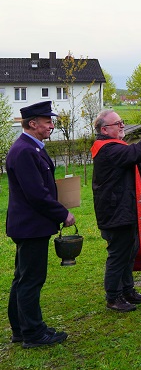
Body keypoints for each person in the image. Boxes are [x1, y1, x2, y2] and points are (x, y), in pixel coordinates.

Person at [6, 101, 75, 348]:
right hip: (30, 227)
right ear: (32, 123)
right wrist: (62, 214)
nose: (51, 126)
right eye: (47, 122)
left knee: (22, 278)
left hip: (29, 226)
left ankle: (22, 329)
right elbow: (36, 194)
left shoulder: (31, 148)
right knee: (31, 280)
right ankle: (33, 334)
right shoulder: (25, 150)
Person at [91, 106, 141, 312]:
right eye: (117, 123)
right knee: (118, 255)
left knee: (128, 252)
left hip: (124, 210)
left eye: (122, 121)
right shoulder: (108, 148)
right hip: (117, 212)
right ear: (104, 130)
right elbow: (140, 150)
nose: (122, 124)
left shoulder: (112, 146)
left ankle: (127, 290)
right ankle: (113, 297)